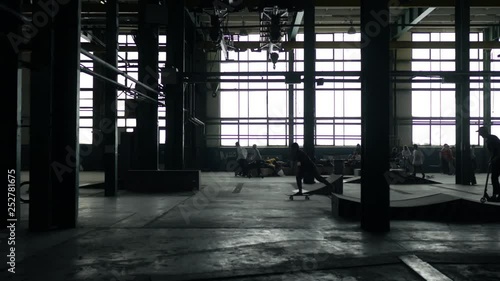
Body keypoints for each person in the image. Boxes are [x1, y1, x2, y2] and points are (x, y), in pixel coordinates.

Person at [477, 126, 500, 201]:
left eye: (480, 133)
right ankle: (496, 194)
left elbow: (498, 150)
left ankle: (497, 194)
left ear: (484, 132)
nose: (479, 135)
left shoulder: (491, 139)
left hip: (498, 160)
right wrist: (491, 159)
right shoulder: (490, 139)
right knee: (494, 177)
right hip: (496, 160)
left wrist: (495, 159)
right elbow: (493, 152)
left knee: (494, 177)